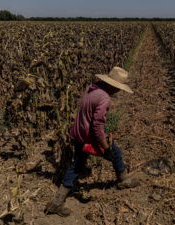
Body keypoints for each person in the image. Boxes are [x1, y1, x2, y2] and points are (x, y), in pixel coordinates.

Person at [45, 66, 139, 217]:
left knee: (76, 166)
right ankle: (123, 179)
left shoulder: (92, 88)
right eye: (119, 88)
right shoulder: (105, 98)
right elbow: (97, 126)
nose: (119, 91)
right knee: (114, 151)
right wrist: (105, 147)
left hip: (77, 133)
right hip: (88, 137)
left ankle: (57, 202)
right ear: (113, 86)